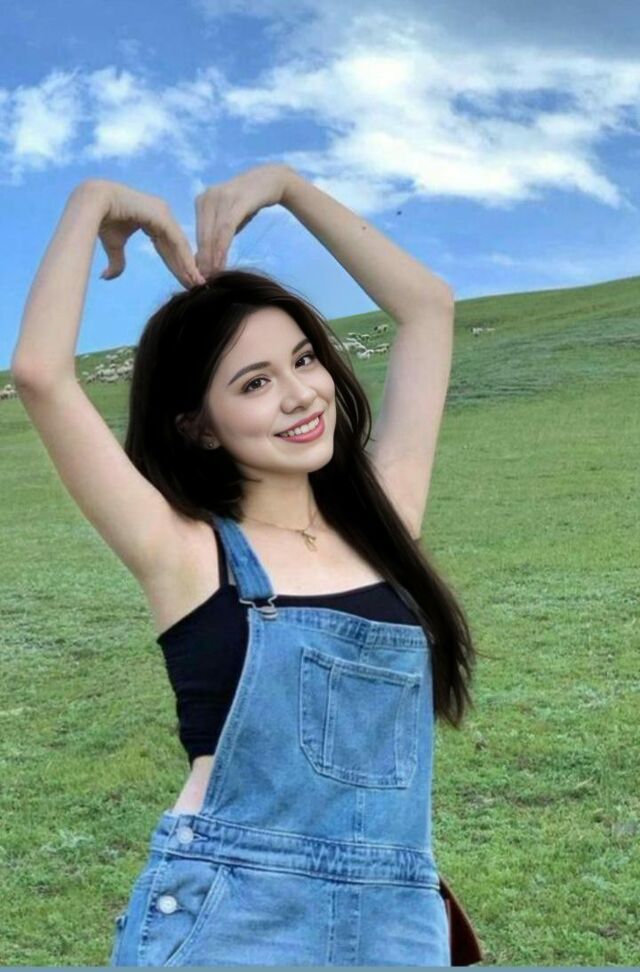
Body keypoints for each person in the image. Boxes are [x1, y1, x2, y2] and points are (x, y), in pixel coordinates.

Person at [12, 164, 478, 966]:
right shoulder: (185, 552)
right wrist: (94, 202)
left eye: (304, 359)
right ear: (199, 426)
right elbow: (40, 375)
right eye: (255, 383)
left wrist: (288, 187)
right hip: (232, 920)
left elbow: (428, 306)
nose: (300, 395)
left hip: (399, 918)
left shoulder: (385, 524)